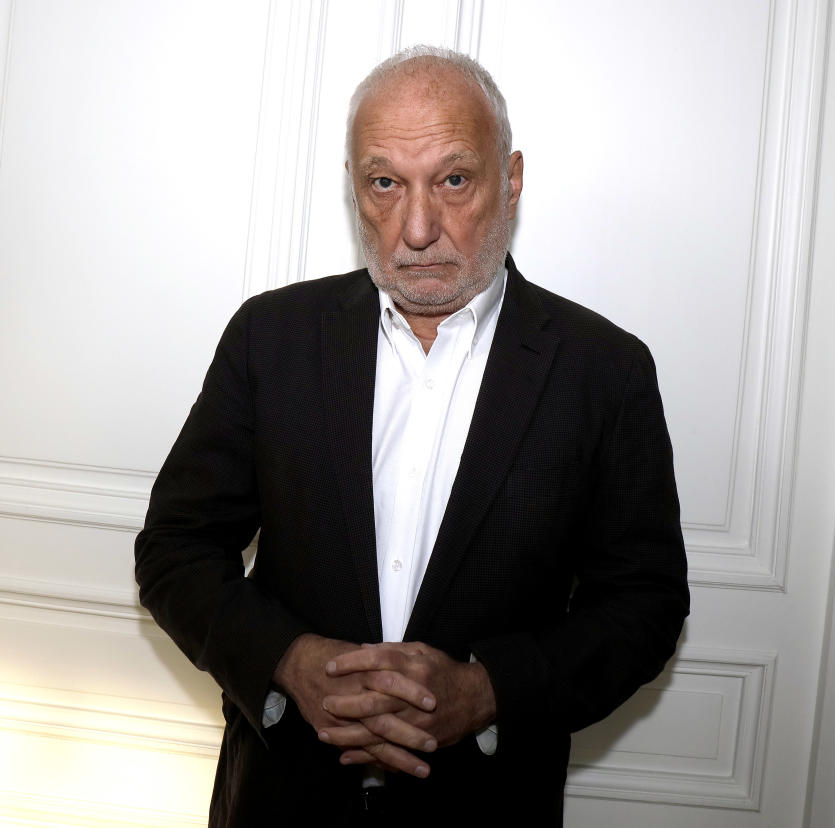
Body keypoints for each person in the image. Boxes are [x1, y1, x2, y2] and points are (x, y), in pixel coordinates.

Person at [135, 45, 689, 826]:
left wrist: (488, 690)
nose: (418, 227)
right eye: (385, 183)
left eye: (454, 180)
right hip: (280, 800)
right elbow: (174, 549)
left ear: (513, 179)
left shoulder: (605, 371)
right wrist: (289, 663)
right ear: (355, 188)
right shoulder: (271, 337)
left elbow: (645, 603)